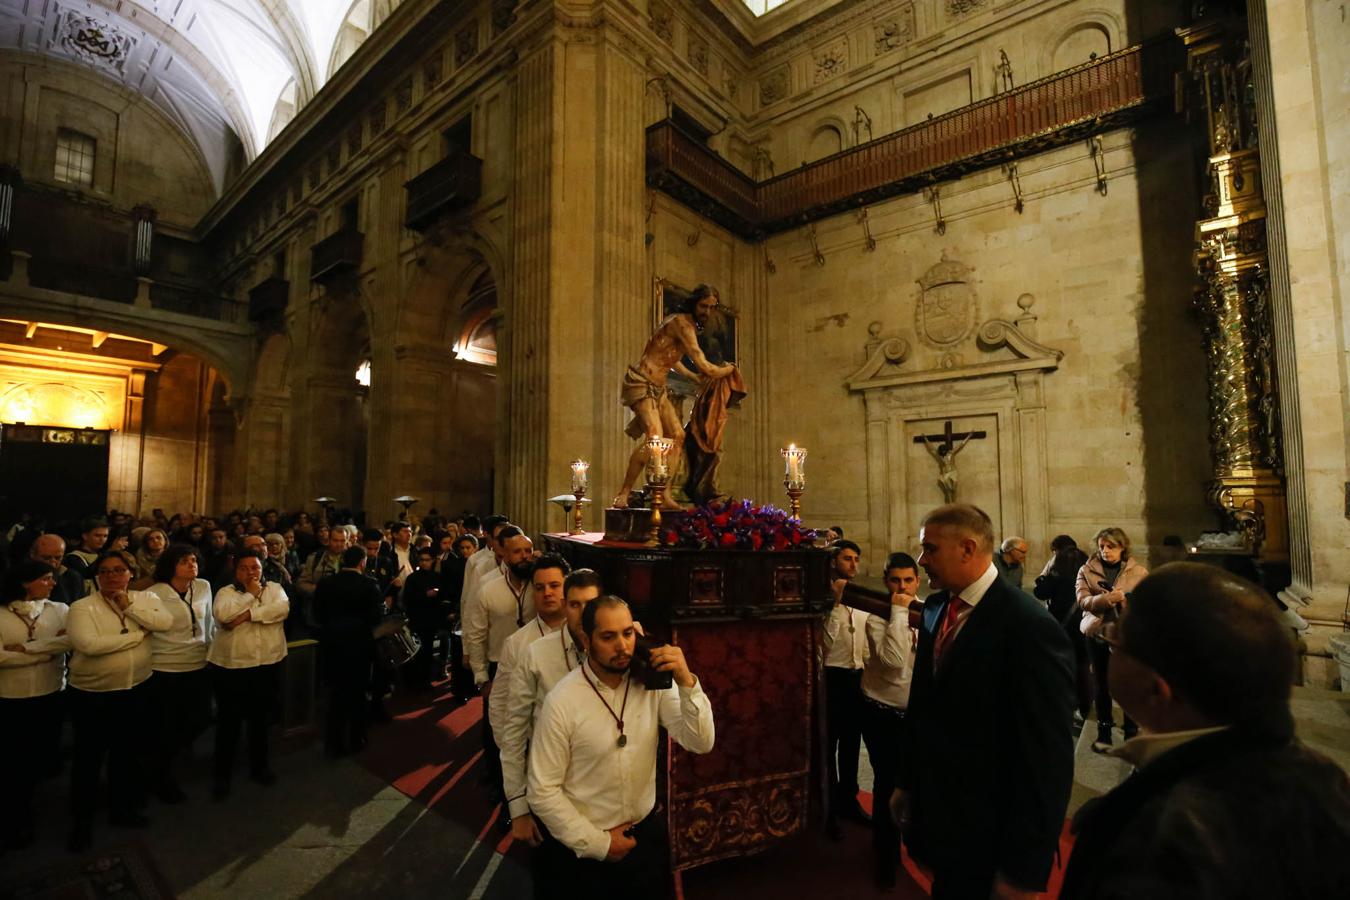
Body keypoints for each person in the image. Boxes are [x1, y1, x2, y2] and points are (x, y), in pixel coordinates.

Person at [1059, 563, 1350, 899]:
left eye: (1115, 641)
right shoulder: (1325, 777)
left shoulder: (1156, 839)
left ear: (1159, 690)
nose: (1109, 650)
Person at [895, 504, 1074, 899]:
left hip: (992, 827)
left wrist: (1025, 871)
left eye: (930, 549)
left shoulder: (1028, 626)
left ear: (967, 548)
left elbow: (1048, 756)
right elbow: (924, 703)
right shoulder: (939, 607)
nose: (922, 560)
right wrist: (906, 782)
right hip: (942, 816)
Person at [528, 596, 715, 896]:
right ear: (586, 640)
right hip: (585, 850)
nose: (623, 646)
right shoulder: (563, 701)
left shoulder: (650, 683)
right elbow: (542, 790)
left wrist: (687, 682)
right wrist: (599, 844)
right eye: (608, 637)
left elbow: (701, 741)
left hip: (643, 839)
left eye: (628, 633)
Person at [66, 550, 173, 851]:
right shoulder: (81, 607)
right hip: (93, 695)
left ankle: (120, 810)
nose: (111, 576)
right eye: (104, 571)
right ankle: (81, 822)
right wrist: (136, 637)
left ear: (130, 573)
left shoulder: (146, 600)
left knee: (125, 755)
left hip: (136, 688)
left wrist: (130, 608)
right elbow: (89, 645)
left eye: (118, 570)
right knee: (88, 759)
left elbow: (165, 623)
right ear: (97, 576)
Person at [503, 568, 602, 883]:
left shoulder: (623, 645)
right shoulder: (536, 653)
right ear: (566, 604)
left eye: (591, 604)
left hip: (605, 795)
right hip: (554, 792)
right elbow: (514, 730)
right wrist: (518, 805)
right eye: (575, 604)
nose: (583, 613)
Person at [611, 284, 737, 507]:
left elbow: (670, 357)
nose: (707, 312)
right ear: (693, 302)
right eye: (703, 306)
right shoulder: (681, 323)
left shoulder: (684, 324)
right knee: (655, 439)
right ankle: (624, 493)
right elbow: (706, 366)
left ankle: (664, 492)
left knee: (678, 436)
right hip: (641, 382)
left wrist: (691, 376)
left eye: (711, 307)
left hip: (658, 389)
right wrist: (730, 369)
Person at [0, 560, 72, 850]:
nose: (52, 584)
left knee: (39, 755)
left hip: (50, 692)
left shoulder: (60, 610)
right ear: (24, 583)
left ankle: (29, 805)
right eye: (45, 579)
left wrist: (27, 650)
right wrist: (44, 654)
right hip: (10, 697)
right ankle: (15, 817)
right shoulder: (2, 614)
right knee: (12, 761)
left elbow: (69, 641)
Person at [207, 550, 289, 799]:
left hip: (266, 662)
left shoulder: (274, 588)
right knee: (228, 722)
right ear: (235, 570)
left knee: (260, 719)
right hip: (232, 666)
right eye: (244, 568)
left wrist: (247, 615)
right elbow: (223, 615)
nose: (251, 573)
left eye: (255, 568)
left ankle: (259, 767)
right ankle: (222, 775)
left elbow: (281, 610)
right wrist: (250, 596)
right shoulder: (226, 592)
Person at [860, 551, 919, 888]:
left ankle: (912, 841)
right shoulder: (877, 617)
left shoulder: (924, 611)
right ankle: (885, 855)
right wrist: (899, 611)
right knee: (886, 784)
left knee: (913, 782)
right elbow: (895, 661)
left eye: (908, 580)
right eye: (895, 580)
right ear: (885, 582)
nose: (902, 587)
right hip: (881, 711)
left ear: (917, 580)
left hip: (915, 714)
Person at [144, 544, 215, 804]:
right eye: (184, 561)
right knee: (167, 725)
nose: (191, 565)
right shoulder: (154, 594)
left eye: (194, 560)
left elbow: (209, 622)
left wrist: (212, 651)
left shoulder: (204, 587)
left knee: (201, 718)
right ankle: (160, 775)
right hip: (165, 666)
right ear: (170, 565)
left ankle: (160, 761)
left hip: (198, 663)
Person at [1076, 527, 1148, 752]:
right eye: (1102, 547)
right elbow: (1083, 601)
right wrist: (1106, 599)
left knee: (1128, 683)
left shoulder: (1139, 572)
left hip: (1124, 635)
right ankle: (1104, 731)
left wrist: (1125, 601)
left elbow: (1146, 603)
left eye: (1111, 547)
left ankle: (1131, 732)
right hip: (1097, 633)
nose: (1105, 551)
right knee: (1101, 683)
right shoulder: (1087, 570)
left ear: (1122, 547)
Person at [313, 546, 383, 757]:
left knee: (336, 694)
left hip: (333, 644)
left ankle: (333, 743)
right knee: (359, 693)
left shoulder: (326, 584)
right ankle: (356, 738)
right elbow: (375, 618)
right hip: (360, 646)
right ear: (362, 562)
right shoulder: (370, 585)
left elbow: (318, 613)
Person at [822, 539, 869, 836]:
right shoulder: (825, 598)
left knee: (852, 742)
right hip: (831, 677)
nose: (853, 565)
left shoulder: (863, 599)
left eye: (856, 559)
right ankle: (828, 807)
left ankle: (849, 798)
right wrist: (834, 605)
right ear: (833, 561)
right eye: (847, 559)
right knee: (830, 744)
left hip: (857, 679)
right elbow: (823, 646)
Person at [1034, 536, 1091, 722]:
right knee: (1083, 667)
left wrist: (1044, 577)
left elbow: (1040, 592)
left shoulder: (1056, 578)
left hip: (1061, 628)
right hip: (1082, 627)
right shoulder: (1087, 578)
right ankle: (1085, 707)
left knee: (1060, 667)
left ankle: (1062, 705)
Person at [401, 546, 449, 691]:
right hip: (417, 618)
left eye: (427, 560)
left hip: (432, 618)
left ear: (433, 560)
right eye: (421, 560)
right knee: (418, 652)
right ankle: (416, 681)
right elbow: (408, 599)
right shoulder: (412, 578)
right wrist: (425, 595)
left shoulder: (438, 577)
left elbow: (444, 597)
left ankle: (426, 679)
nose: (423, 563)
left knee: (427, 651)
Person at [30, 533, 86, 606]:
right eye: (46, 558)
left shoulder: (73, 578)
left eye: (58, 558)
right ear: (33, 555)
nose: (53, 563)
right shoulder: (20, 577)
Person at [63, 517, 109, 594]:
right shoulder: (73, 557)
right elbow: (86, 574)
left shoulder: (101, 555)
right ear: (85, 536)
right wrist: (110, 552)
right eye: (97, 536)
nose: (102, 540)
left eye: (105, 536)